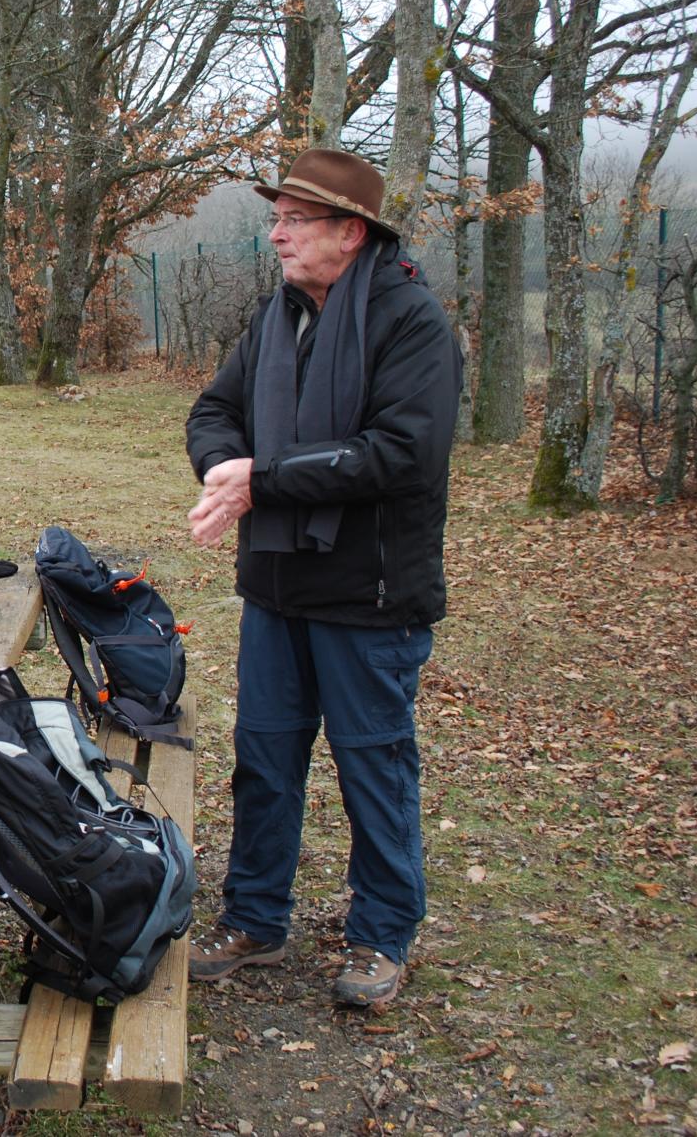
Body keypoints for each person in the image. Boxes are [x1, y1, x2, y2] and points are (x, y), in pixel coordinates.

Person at [183, 149, 462, 1009]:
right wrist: (226, 467)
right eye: (277, 220)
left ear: (351, 232)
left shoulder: (411, 322)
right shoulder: (277, 318)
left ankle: (382, 934)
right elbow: (213, 411)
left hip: (371, 595)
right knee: (263, 757)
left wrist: (263, 480)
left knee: (373, 765)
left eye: (294, 221)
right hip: (276, 584)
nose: (276, 235)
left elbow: (402, 453)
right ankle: (256, 919)